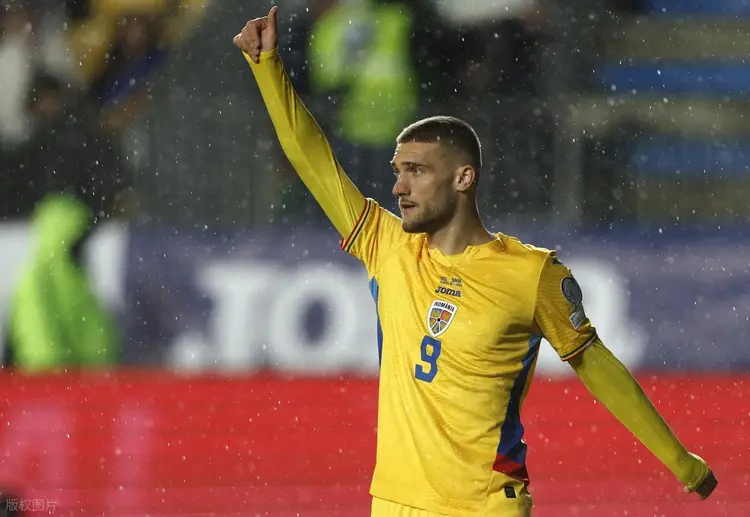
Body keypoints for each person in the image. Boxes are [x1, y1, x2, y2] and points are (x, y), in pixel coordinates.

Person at [232, 7, 717, 516]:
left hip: (484, 505)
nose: (399, 187)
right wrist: (268, 68)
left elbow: (595, 365)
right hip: (393, 503)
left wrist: (682, 462)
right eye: (398, 171)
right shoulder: (386, 245)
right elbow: (310, 155)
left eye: (417, 171)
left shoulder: (531, 274)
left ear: (463, 178)